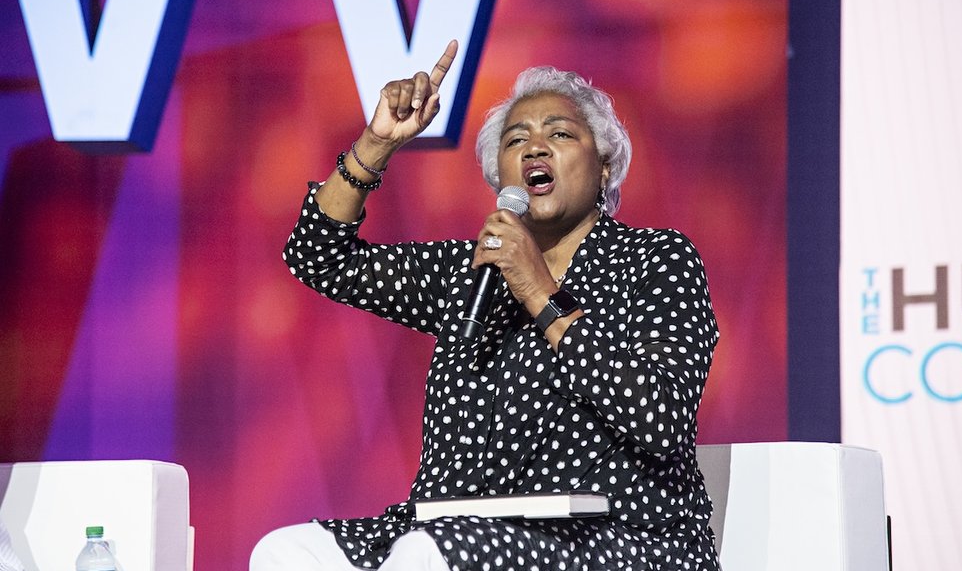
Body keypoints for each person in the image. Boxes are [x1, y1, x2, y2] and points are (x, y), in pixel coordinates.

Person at [252, 40, 721, 570]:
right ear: (501, 179)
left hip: (615, 538)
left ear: (606, 168)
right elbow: (318, 258)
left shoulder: (655, 260)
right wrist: (376, 144)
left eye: (560, 134)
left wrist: (540, 293)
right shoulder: (469, 271)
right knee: (287, 551)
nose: (534, 149)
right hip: (453, 527)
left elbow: (661, 419)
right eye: (516, 140)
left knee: (427, 554)